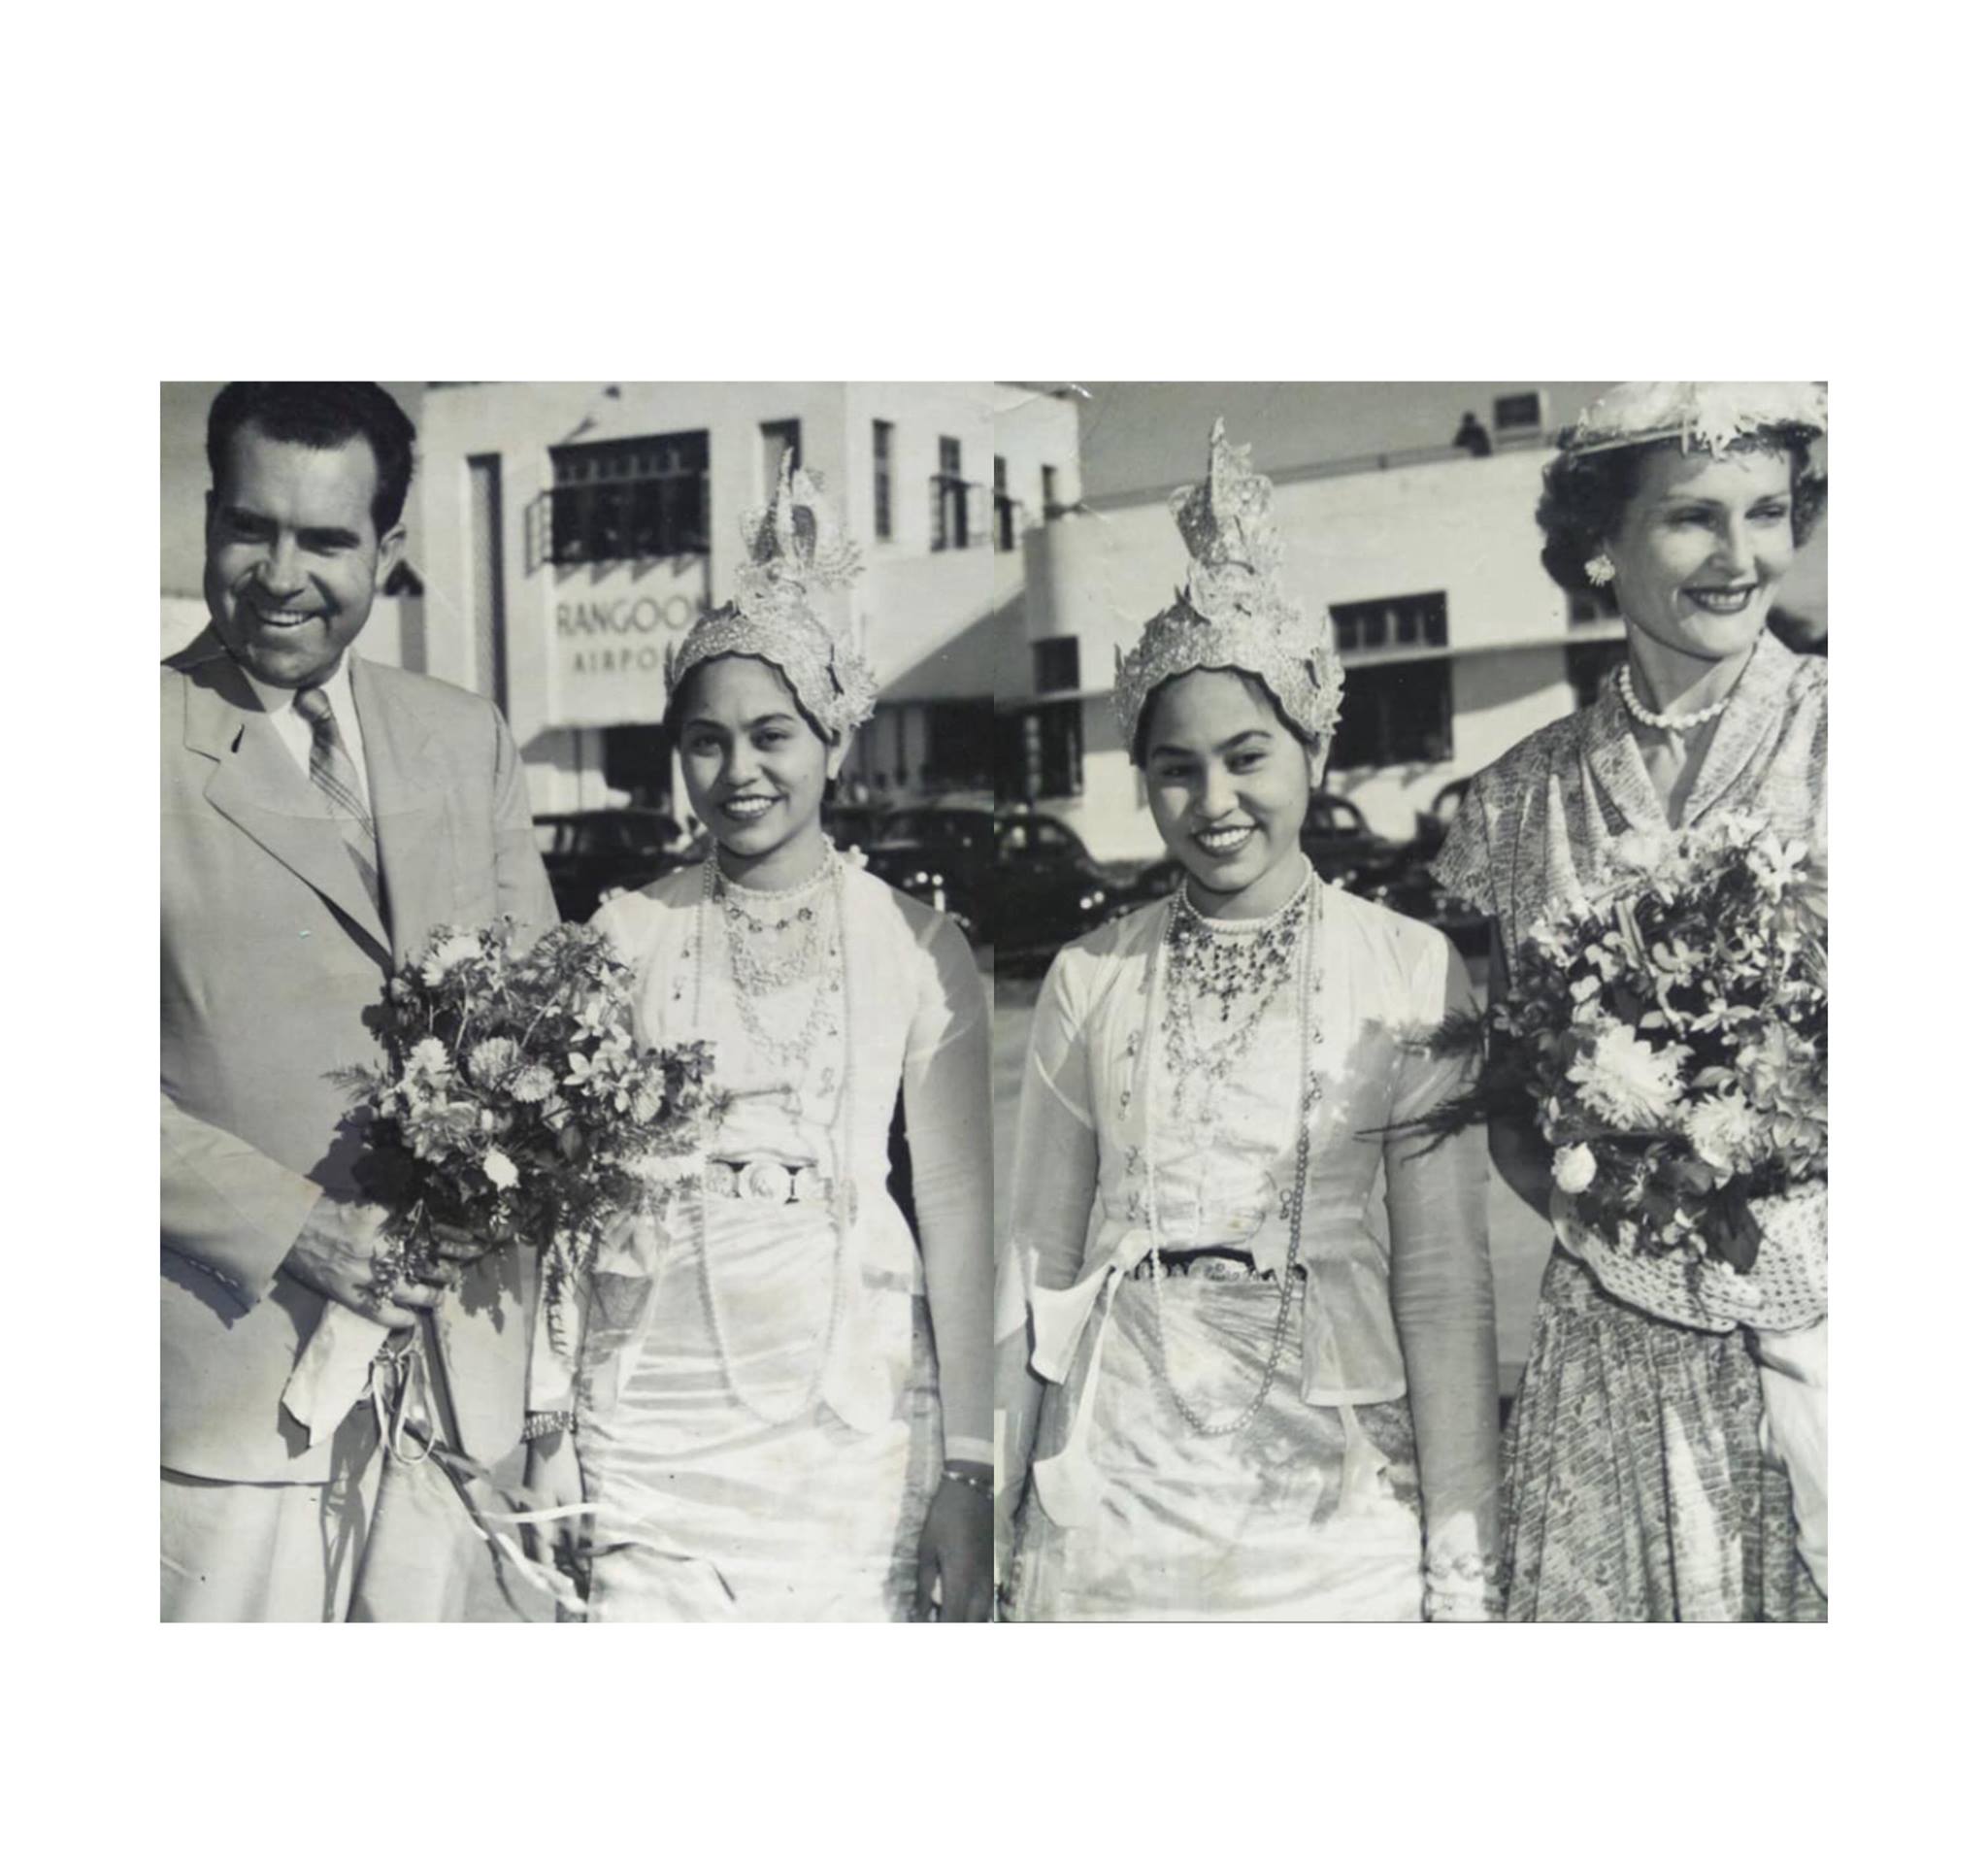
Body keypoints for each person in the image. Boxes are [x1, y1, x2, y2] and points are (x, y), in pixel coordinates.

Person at [997, 422, 1502, 1621]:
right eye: (1175, 768)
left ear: (1312, 748)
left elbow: (1440, 1283)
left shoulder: (1407, 964)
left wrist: (1461, 1558)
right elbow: (1037, 1265)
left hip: (1332, 1490)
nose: (1212, 801)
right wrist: (994, 1487)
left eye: (1246, 756)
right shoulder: (1090, 974)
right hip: (1119, 1473)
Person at [525, 458, 996, 1620]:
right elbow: (564, 1221)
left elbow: (958, 1212)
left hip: (846, 1428)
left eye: (772, 733)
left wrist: (970, 1461)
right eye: (706, 741)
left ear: (832, 736)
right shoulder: (625, 935)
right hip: (651, 1423)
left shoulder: (916, 942)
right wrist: (543, 1424)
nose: (740, 771)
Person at [161, 381, 557, 1622]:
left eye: (326, 538)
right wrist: (297, 1226)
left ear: (387, 550)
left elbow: (550, 1021)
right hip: (232, 1398)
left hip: (460, 1388)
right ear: (207, 518)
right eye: (250, 528)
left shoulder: (464, 734)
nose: (281, 574)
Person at [1434, 381, 1829, 1620]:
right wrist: (1622, 1175)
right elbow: (1505, 1097)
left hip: (1837, 1333)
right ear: (1598, 542)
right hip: (1609, 1346)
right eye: (1692, 518)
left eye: (1765, 513)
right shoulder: (1517, 799)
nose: (1739, 556)